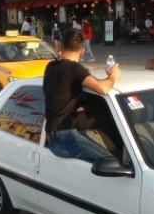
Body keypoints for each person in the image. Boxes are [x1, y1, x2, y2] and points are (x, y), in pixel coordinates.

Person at [44, 28, 120, 162]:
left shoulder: (51, 66)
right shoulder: (74, 68)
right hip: (63, 135)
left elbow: (64, 82)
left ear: (60, 46)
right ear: (82, 50)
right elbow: (102, 88)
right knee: (110, 162)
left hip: (52, 134)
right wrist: (113, 77)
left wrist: (83, 74)